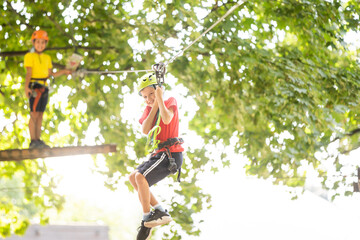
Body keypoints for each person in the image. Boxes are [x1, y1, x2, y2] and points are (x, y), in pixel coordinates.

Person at [129, 72, 184, 240]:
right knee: (133, 177)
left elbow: (167, 119)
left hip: (170, 153)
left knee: (140, 176)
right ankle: (159, 211)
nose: (148, 99)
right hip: (159, 154)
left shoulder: (169, 101)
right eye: (145, 97)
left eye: (151, 94)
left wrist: (159, 99)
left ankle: (147, 220)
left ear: (159, 90)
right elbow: (145, 130)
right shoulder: (148, 109)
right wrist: (153, 105)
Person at [24, 30, 71, 149]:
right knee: (34, 114)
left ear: (46, 44)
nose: (40, 45)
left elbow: (52, 74)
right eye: (38, 42)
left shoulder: (47, 58)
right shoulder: (29, 56)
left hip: (44, 87)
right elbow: (29, 73)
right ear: (34, 43)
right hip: (35, 86)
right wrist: (26, 87)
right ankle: (33, 141)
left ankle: (38, 140)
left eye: (43, 43)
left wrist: (65, 71)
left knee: (40, 114)